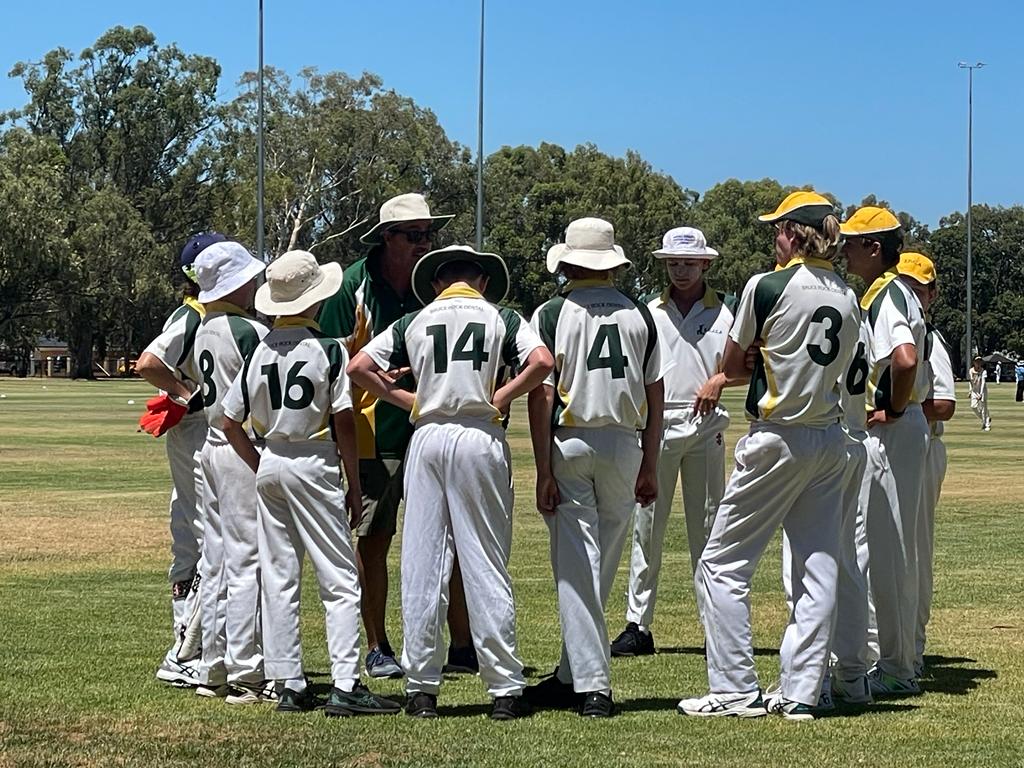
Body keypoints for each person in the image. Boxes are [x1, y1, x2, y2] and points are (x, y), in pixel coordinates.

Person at [349, 245, 553, 720]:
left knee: (422, 560)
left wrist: (406, 399)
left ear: (438, 283)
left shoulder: (414, 321)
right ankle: (504, 688)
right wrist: (500, 395)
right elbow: (541, 362)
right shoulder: (501, 316)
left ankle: (422, 688)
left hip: (428, 434)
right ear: (481, 280)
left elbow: (359, 366)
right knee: (484, 559)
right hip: (480, 434)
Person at [678, 191, 859, 721]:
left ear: (795, 233)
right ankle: (801, 693)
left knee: (722, 564)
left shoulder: (768, 284)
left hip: (778, 434)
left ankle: (734, 690)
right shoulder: (847, 294)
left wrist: (724, 373)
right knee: (819, 568)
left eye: (777, 230)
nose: (773, 239)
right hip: (830, 437)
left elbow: (734, 363)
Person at [222, 250, 400, 717]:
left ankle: (290, 683)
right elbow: (342, 417)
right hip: (313, 460)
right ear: (315, 300)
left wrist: (259, 460)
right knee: (339, 577)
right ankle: (345, 682)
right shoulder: (327, 349)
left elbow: (229, 421)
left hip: (272, 460)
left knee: (280, 576)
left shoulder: (257, 350)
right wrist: (354, 482)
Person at [318, 193, 475, 678]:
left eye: (429, 234)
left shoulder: (436, 284)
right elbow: (331, 363)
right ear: (387, 239)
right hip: (373, 434)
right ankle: (378, 645)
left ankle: (463, 646)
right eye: (414, 236)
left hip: (432, 430)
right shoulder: (351, 287)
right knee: (374, 538)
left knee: (452, 537)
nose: (425, 243)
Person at [525, 217, 667, 718]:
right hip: (626, 442)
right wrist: (650, 461)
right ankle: (569, 674)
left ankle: (593, 684)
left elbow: (541, 395)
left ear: (567, 262)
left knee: (574, 567)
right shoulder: (639, 314)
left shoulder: (551, 314)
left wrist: (542, 468)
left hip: (572, 438)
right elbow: (657, 392)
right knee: (599, 565)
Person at [611, 226, 734, 657]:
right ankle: (638, 625)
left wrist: (720, 378)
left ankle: (714, 625)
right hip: (657, 426)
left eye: (689, 263)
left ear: (706, 264)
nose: (681, 271)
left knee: (709, 529)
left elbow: (750, 364)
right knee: (647, 529)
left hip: (706, 425)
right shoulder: (649, 313)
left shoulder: (727, 315)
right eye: (673, 263)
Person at [842, 205, 929, 696]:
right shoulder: (893, 290)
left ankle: (897, 665)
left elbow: (905, 359)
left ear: (875, 248)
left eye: (853, 242)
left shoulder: (885, 295)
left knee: (887, 550)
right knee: (893, 547)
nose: (845, 249)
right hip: (904, 428)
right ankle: (900, 659)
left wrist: (892, 410)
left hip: (894, 429)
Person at [136, 232, 225, 687]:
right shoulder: (193, 316)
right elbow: (148, 362)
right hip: (195, 435)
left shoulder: (202, 316)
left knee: (189, 539)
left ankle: (189, 642)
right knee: (210, 536)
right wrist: (187, 395)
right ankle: (190, 650)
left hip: (190, 435)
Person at [191, 240, 271, 703]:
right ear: (237, 283)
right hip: (243, 445)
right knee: (246, 560)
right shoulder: (248, 331)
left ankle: (213, 665)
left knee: (218, 559)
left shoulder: (204, 328)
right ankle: (246, 670)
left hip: (211, 446)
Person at [896, 252, 956, 677]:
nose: (913, 297)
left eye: (920, 290)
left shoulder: (930, 340)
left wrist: (901, 408)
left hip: (923, 443)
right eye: (907, 288)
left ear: (932, 294)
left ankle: (912, 647)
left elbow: (946, 404)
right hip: (898, 442)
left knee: (915, 549)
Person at [969, 357, 991, 431]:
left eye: (979, 361)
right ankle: (985, 419)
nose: (978, 363)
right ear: (974, 362)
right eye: (976, 361)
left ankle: (987, 424)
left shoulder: (983, 371)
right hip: (974, 391)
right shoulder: (971, 371)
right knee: (973, 406)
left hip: (982, 391)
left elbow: (983, 383)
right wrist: (970, 391)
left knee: (983, 407)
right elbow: (971, 382)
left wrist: (981, 394)